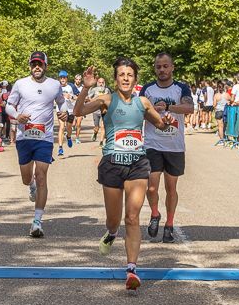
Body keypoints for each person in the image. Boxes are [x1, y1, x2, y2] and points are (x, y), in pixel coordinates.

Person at [73, 59, 170, 291]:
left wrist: (166, 121)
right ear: (115, 78)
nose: (126, 78)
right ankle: (111, 233)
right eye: (121, 74)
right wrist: (86, 87)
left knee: (133, 217)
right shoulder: (106, 100)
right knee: (114, 220)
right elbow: (78, 111)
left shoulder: (143, 102)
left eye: (130, 74)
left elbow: (161, 125)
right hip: (112, 164)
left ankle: (131, 269)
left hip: (137, 162)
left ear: (136, 79)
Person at [5, 51, 68, 239]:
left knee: (42, 176)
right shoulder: (20, 84)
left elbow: (62, 104)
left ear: (46, 65)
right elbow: (9, 105)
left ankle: (37, 221)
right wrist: (17, 116)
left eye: (40, 64)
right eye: (34, 64)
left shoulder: (54, 85)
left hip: (45, 137)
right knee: (27, 178)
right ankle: (29, 184)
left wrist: (64, 113)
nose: (37, 67)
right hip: (25, 137)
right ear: (30, 66)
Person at [141, 53, 194, 243]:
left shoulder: (181, 88)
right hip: (152, 144)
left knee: (171, 187)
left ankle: (169, 225)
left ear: (172, 68)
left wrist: (169, 108)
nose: (162, 70)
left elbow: (189, 109)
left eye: (165, 66)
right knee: (152, 186)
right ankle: (155, 214)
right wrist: (153, 111)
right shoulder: (148, 89)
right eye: (158, 67)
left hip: (174, 145)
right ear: (154, 68)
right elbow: (140, 111)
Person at [56, 71, 75, 156]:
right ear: (59, 79)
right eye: (61, 77)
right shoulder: (56, 87)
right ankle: (60, 148)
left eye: (64, 77)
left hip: (70, 110)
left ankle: (69, 136)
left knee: (69, 128)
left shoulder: (71, 86)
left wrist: (70, 96)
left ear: (67, 78)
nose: (62, 79)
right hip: (60, 110)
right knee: (62, 127)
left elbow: (78, 96)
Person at [87, 75, 111, 142]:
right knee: (96, 128)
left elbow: (110, 99)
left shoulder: (107, 90)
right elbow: (89, 98)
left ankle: (101, 142)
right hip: (96, 111)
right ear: (97, 83)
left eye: (102, 82)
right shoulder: (94, 90)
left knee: (103, 126)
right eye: (100, 82)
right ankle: (95, 133)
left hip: (104, 111)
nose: (101, 84)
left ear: (104, 83)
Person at [72, 73, 85, 143]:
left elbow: (85, 96)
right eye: (77, 79)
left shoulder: (83, 87)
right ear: (75, 80)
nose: (78, 81)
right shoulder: (71, 87)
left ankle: (77, 138)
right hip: (72, 107)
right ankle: (71, 128)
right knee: (73, 124)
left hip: (80, 107)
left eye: (79, 79)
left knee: (78, 124)